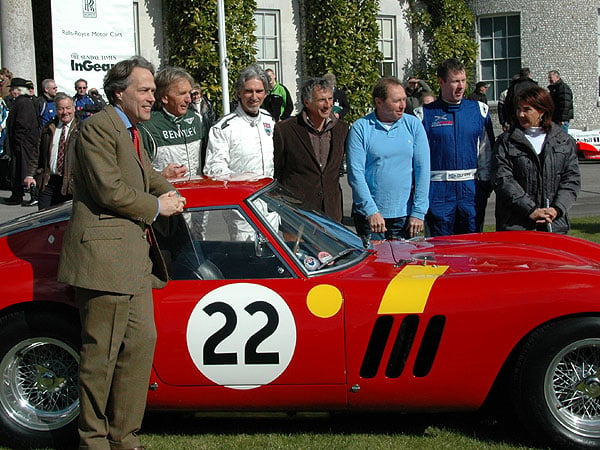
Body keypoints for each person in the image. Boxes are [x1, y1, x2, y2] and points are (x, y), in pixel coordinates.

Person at [57, 56, 186, 449]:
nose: (152, 97)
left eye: (151, 90)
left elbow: (144, 174)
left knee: (138, 351)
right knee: (101, 359)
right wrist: (156, 207)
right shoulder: (97, 128)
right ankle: (93, 441)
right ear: (120, 92)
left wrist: (166, 185)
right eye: (144, 90)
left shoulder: (134, 132)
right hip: (104, 263)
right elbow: (108, 189)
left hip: (134, 264)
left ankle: (124, 437)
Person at [415, 58, 494, 236]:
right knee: (440, 249)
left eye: (463, 81)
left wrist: (483, 187)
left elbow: (486, 153)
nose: (460, 87)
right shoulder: (423, 115)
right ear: (441, 82)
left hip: (470, 191)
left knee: (470, 247)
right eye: (455, 81)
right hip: (438, 192)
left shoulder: (479, 111)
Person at [347, 76, 430, 243]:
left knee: (406, 265)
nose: (402, 106)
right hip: (371, 217)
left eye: (404, 100)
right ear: (379, 102)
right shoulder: (361, 128)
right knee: (377, 266)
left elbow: (423, 170)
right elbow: (356, 174)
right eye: (396, 101)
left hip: (404, 216)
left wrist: (418, 212)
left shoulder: (413, 125)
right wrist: (371, 211)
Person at [492, 85, 580, 233]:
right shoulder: (506, 142)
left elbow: (571, 179)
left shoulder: (564, 141)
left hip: (554, 225)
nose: (520, 114)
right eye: (518, 109)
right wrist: (530, 210)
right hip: (516, 225)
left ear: (542, 111)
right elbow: (502, 179)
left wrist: (556, 209)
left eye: (527, 110)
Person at [274, 77, 348, 222]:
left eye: (330, 99)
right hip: (298, 214)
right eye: (321, 100)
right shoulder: (286, 130)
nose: (328, 105)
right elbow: (278, 170)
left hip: (331, 213)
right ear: (307, 102)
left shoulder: (342, 129)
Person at [204, 64, 275, 178]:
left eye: (259, 91)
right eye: (248, 91)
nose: (254, 97)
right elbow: (214, 168)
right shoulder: (223, 128)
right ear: (239, 93)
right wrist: (242, 179)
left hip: (267, 192)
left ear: (265, 93)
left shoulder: (269, 120)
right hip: (241, 193)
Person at [138, 66, 205, 177]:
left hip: (195, 191)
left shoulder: (197, 119)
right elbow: (137, 174)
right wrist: (162, 176)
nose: (188, 99)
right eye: (182, 93)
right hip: (166, 192)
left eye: (189, 93)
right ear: (165, 98)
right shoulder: (147, 125)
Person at [24, 92, 79, 209]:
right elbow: (37, 154)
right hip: (48, 182)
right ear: (56, 110)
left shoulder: (82, 129)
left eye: (68, 108)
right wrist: (29, 175)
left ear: (74, 108)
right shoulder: (48, 128)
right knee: (43, 218)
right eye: (61, 109)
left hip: (71, 184)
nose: (65, 112)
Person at [4, 77, 40, 206]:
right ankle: (17, 195)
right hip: (22, 143)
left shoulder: (23, 103)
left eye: (12, 89)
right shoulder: (21, 102)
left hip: (24, 143)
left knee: (25, 169)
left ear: (17, 91)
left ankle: (34, 195)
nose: (11, 92)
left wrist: (18, 140)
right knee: (17, 169)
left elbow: (22, 125)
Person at [189, 83, 216, 160]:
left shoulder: (207, 104)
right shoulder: (189, 107)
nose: (195, 96)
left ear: (200, 94)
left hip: (206, 132)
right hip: (196, 133)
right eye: (193, 95)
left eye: (197, 94)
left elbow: (212, 118)